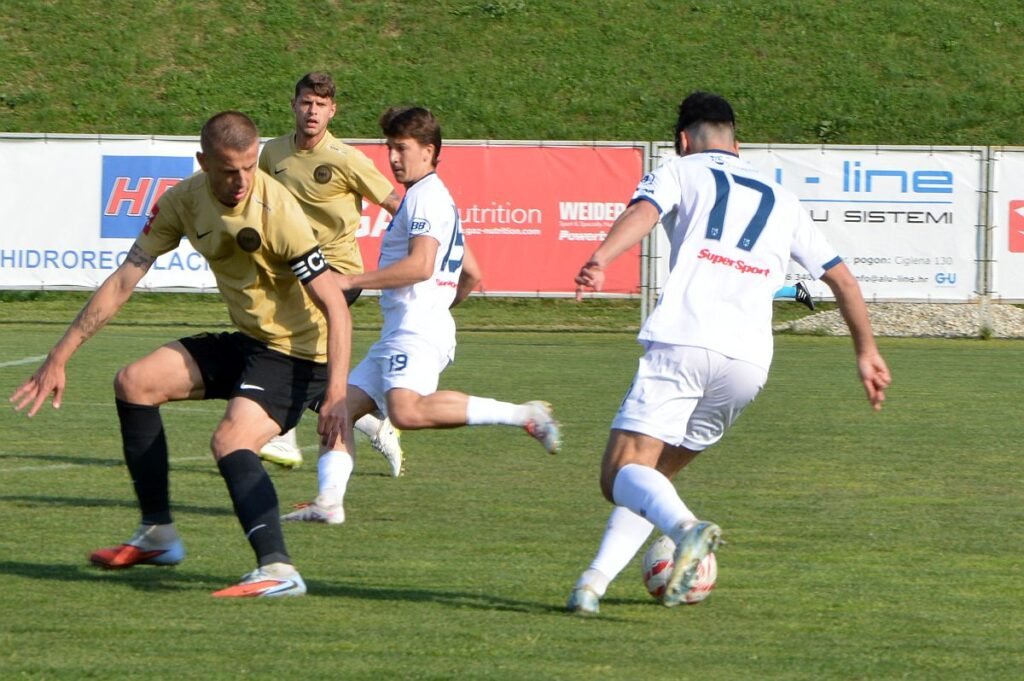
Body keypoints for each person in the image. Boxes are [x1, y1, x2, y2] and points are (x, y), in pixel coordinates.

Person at [567, 92, 890, 615]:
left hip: (685, 340)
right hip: (748, 362)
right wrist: (866, 352)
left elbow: (644, 212)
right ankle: (592, 583)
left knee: (619, 475)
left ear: (682, 139)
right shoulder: (781, 197)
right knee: (654, 479)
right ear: (736, 142)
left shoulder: (679, 169)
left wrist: (601, 257)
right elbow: (844, 281)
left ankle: (687, 530)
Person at [9, 111, 354, 598]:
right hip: (251, 341)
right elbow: (124, 280)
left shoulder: (278, 210)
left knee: (231, 441)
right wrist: (58, 356)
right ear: (203, 162)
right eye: (229, 170)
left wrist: (335, 393)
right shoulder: (181, 201)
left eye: (250, 167)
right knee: (135, 382)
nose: (242, 181)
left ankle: (279, 570)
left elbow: (336, 306)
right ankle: (158, 534)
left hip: (298, 353)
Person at [283, 105, 561, 525]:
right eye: (390, 149)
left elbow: (421, 266)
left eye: (402, 149)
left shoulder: (426, 197)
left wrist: (350, 279)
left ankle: (524, 414)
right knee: (336, 408)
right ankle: (329, 502)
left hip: (415, 330)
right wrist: (440, 304)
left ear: (428, 151)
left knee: (406, 412)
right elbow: (472, 273)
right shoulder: (427, 196)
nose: (393, 158)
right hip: (407, 328)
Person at [258, 71, 405, 476]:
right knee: (293, 354)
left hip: (338, 271)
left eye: (321, 105)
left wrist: (420, 249)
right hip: (293, 270)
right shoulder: (273, 153)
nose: (312, 111)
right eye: (306, 102)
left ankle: (283, 435)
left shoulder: (346, 158)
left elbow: (395, 203)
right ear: (293, 105)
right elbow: (263, 205)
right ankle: (373, 424)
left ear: (332, 111)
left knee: (285, 341)